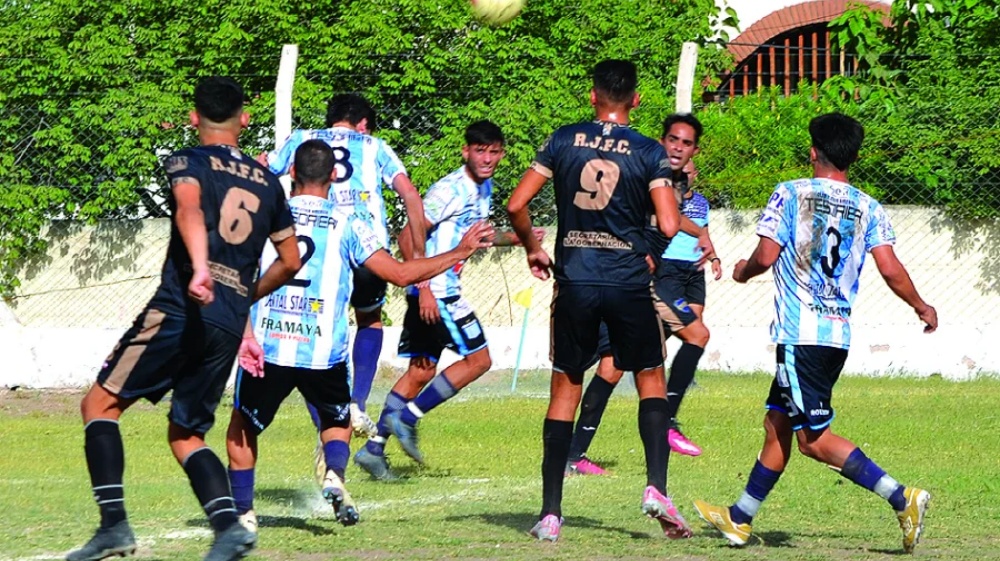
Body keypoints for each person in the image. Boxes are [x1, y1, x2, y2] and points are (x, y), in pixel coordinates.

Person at [67, 76, 302, 561]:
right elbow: (292, 259)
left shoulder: (187, 162)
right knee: (187, 434)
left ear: (195, 117)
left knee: (100, 405)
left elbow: (189, 208)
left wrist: (199, 269)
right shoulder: (268, 183)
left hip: (182, 306)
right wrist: (244, 296)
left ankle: (113, 526)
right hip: (229, 321)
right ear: (245, 118)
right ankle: (228, 528)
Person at [693, 113, 937, 553]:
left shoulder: (790, 194)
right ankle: (740, 517)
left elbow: (766, 255)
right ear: (854, 158)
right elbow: (890, 268)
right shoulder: (869, 207)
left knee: (813, 441)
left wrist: (743, 272)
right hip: (835, 337)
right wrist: (921, 305)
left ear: (812, 152)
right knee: (777, 424)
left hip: (799, 334)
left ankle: (903, 497)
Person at [225, 140, 494, 532]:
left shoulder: (265, 215)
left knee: (243, 427)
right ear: (333, 176)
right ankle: (334, 473)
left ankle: (243, 513)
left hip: (268, 347)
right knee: (337, 423)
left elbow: (236, 274)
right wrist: (459, 251)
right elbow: (401, 275)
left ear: (293, 173)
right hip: (323, 353)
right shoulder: (350, 223)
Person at [507, 59, 693, 543]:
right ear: (635, 99)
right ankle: (656, 489)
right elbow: (671, 225)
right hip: (628, 282)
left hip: (576, 281)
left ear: (593, 97)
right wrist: (647, 251)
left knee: (565, 388)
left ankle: (550, 513)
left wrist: (532, 245)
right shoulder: (650, 151)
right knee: (650, 378)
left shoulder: (563, 139)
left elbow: (515, 204)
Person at [353, 120, 543, 479]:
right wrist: (422, 287)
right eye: (480, 150)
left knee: (421, 370)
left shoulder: (483, 187)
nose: (487, 158)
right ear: (465, 151)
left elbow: (477, 237)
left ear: (501, 153)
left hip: (434, 290)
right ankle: (408, 418)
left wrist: (519, 238)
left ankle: (373, 449)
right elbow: (408, 235)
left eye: (494, 151)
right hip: (438, 291)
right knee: (479, 360)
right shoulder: (449, 190)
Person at [260, 93, 428, 440]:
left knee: (317, 325)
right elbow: (410, 194)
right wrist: (419, 258)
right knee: (369, 319)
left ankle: (327, 417)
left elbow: (263, 170)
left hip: (321, 245)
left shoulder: (303, 139)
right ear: (362, 123)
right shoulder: (375, 145)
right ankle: (357, 403)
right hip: (366, 245)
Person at [566, 115, 721, 476]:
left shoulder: (674, 180)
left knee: (612, 366)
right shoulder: (644, 168)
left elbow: (670, 219)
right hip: (631, 275)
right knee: (697, 334)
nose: (678, 147)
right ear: (662, 141)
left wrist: (701, 233)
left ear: (694, 150)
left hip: (631, 275)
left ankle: (573, 455)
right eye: (673, 140)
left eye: (686, 143)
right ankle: (667, 422)